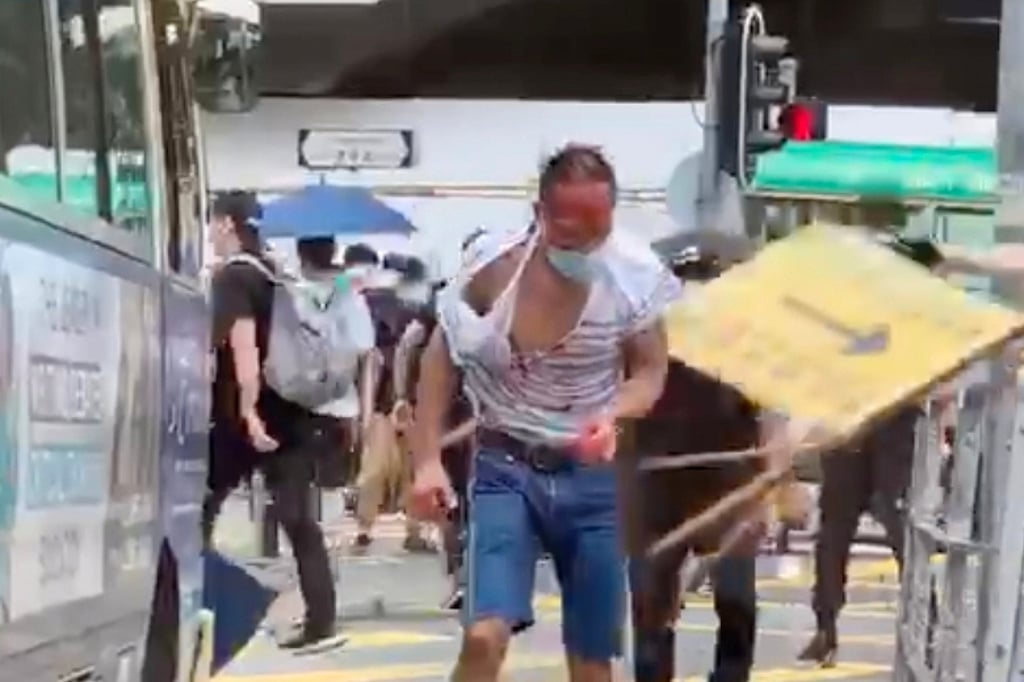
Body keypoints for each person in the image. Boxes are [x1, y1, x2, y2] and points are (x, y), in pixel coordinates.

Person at [409, 144, 683, 682]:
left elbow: (650, 372)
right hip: (505, 465)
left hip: (593, 479)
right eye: (568, 228)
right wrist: (426, 461)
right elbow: (441, 358)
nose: (584, 242)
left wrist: (613, 413)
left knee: (591, 661)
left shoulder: (634, 277)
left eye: (597, 228)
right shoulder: (494, 267)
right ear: (538, 214)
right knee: (484, 637)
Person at [620, 231, 808, 682]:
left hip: (729, 486)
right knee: (651, 605)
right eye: (691, 277)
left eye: (709, 277)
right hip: (656, 489)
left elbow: (772, 414)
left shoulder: (749, 344)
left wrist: (780, 483)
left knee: (736, 600)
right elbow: (619, 408)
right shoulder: (644, 338)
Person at [799, 235, 946, 666]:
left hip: (894, 426)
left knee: (902, 525)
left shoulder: (916, 313)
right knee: (834, 533)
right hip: (852, 426)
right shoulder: (857, 309)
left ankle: (929, 624)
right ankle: (825, 627)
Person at [204, 191, 338, 649]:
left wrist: (247, 412)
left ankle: (202, 612)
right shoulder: (276, 274)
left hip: (246, 422)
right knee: (299, 521)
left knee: (198, 510)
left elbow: (244, 352)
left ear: (226, 224)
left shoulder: (234, 279)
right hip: (293, 414)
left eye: (212, 224)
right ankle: (321, 622)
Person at [351, 250, 436, 554]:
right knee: (405, 467)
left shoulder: (370, 304)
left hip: (392, 402)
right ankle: (404, 531)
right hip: (404, 402)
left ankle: (369, 528)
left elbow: (369, 361)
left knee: (381, 467)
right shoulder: (416, 308)